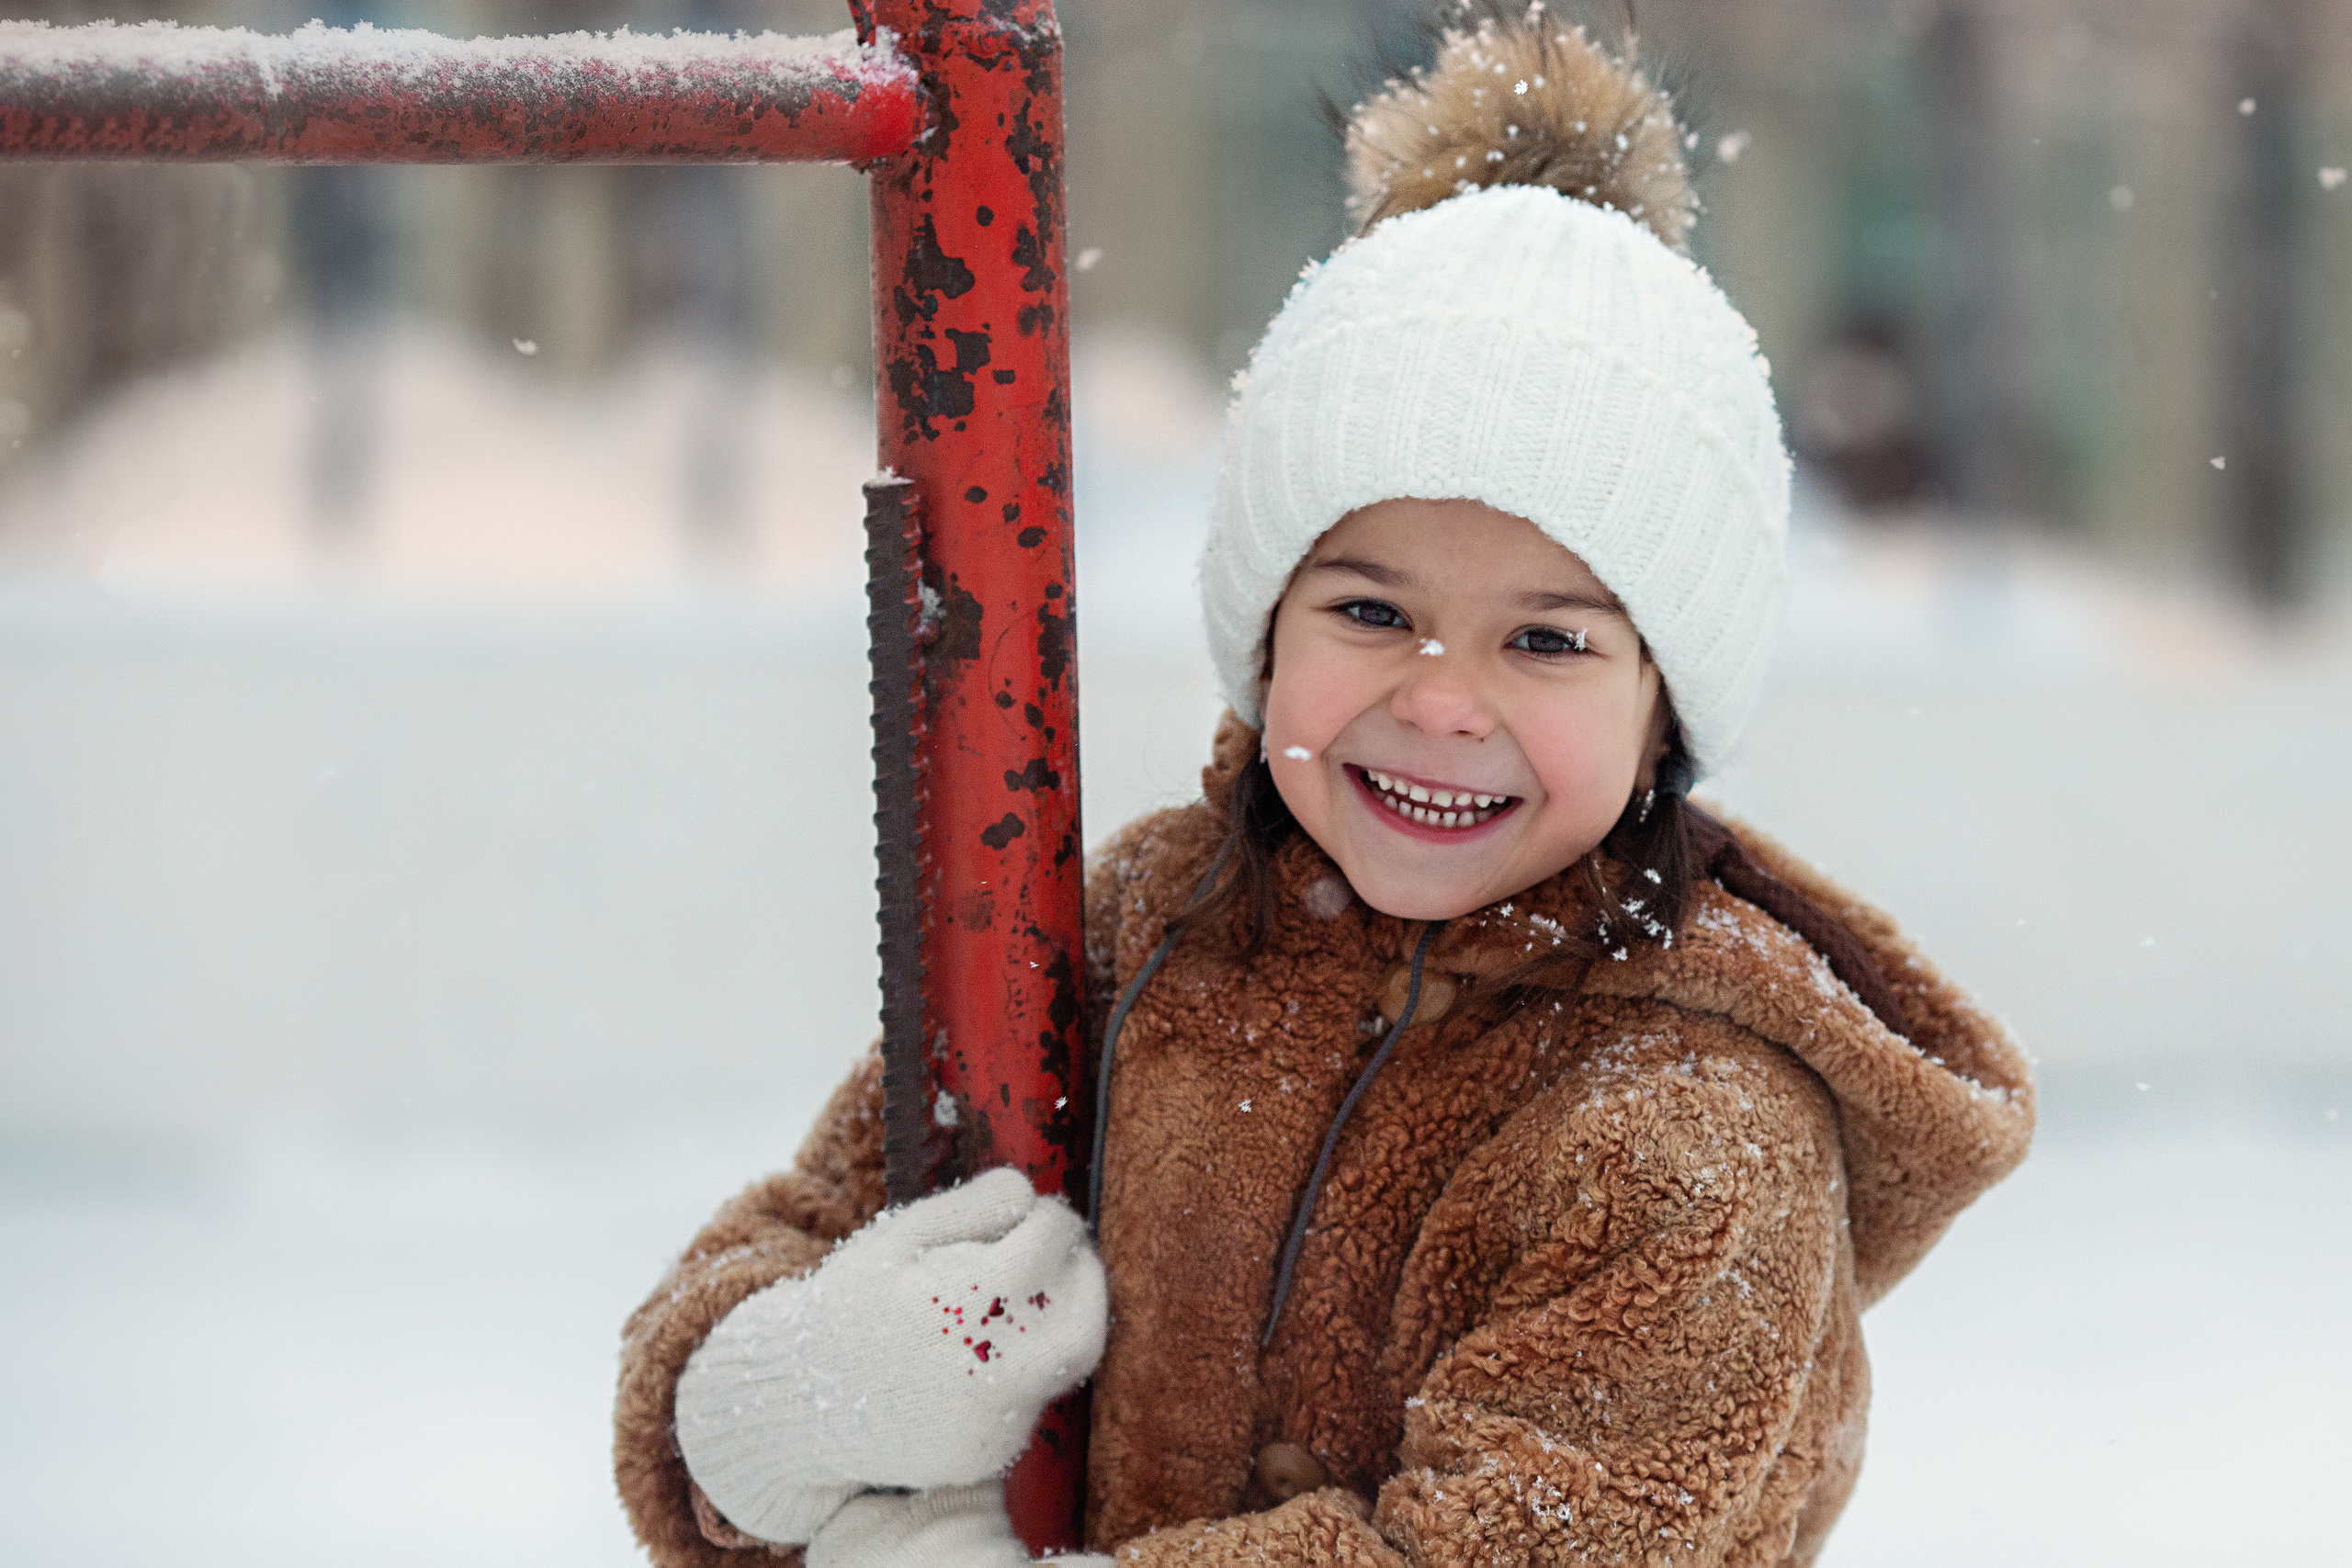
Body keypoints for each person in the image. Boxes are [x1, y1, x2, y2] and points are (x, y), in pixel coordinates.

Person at [613, 7, 2035, 1564]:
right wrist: (775, 1406)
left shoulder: (1694, 1136)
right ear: (1265, 628)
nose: (1440, 698)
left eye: (1547, 641)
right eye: (1368, 611)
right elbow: (819, 1223)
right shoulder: (1141, 931)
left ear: (1663, 709)